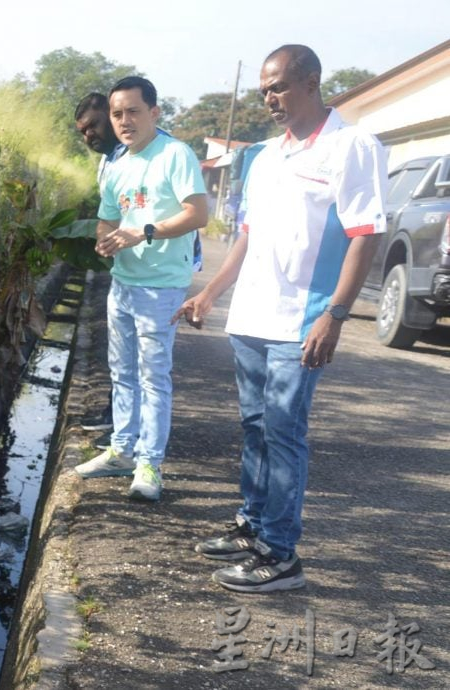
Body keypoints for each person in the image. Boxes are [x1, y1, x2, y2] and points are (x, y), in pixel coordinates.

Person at [175, 45, 388, 592]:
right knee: (254, 427)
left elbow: (365, 237)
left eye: (280, 87)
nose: (270, 97)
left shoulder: (351, 147)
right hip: (251, 317)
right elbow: (247, 237)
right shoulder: (263, 156)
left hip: (302, 321)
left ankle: (281, 554)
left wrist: (335, 316)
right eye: (265, 89)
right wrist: (212, 294)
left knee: (284, 432)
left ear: (312, 82)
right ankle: (253, 524)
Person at [74, 76, 208, 502]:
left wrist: (143, 232)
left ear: (154, 112)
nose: (124, 121)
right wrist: (104, 238)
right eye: (117, 114)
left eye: (133, 111)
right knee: (122, 373)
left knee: (154, 377)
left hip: (161, 286)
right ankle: (121, 450)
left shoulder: (175, 154)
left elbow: (198, 214)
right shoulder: (117, 164)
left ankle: (150, 462)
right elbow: (108, 218)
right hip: (124, 283)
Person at [74, 93, 127, 449]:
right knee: (121, 354)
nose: (88, 136)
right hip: (126, 267)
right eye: (82, 131)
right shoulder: (108, 161)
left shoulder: (141, 154)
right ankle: (115, 417)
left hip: (156, 271)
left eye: (93, 125)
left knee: (140, 362)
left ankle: (126, 434)